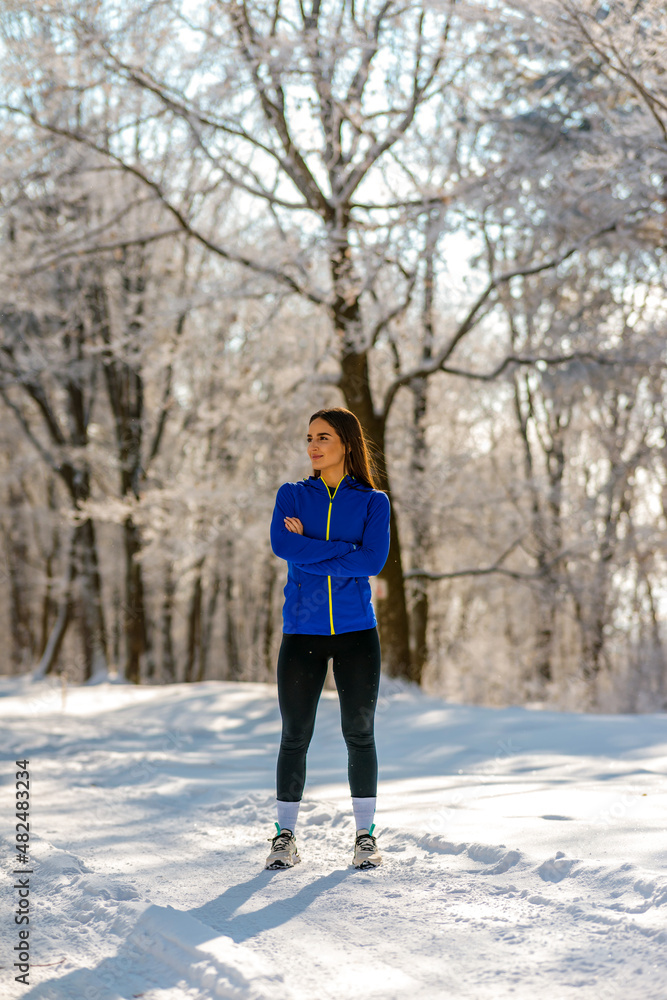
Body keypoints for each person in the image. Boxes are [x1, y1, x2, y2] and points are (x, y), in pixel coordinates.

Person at [265, 407, 391, 870]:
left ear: (346, 444)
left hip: (358, 632)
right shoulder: (293, 496)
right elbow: (284, 547)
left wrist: (313, 553)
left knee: (360, 734)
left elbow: (373, 561)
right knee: (295, 734)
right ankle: (284, 837)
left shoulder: (373, 501)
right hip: (303, 632)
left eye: (324, 437)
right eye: (309, 438)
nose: (313, 446)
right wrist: (346, 552)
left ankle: (365, 836)